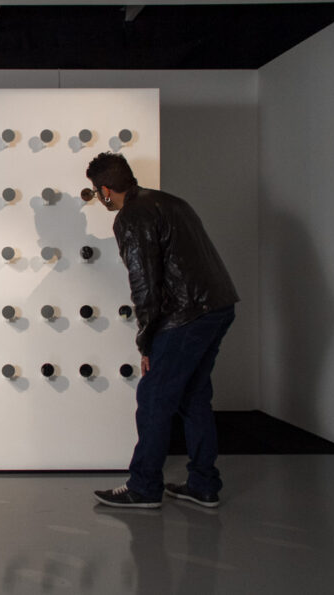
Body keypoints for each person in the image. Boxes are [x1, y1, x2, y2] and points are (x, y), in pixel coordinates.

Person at [85, 152, 238, 509]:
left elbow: (145, 285)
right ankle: (203, 484)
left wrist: (146, 342)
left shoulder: (130, 217)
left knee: (154, 399)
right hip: (218, 306)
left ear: (105, 190)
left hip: (185, 315)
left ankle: (144, 487)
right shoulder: (172, 202)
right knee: (194, 396)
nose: (100, 198)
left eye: (96, 192)